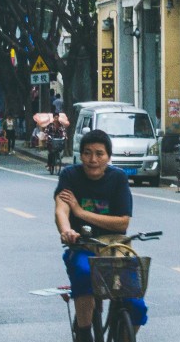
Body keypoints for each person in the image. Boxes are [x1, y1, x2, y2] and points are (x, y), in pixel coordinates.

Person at [55, 129, 144, 330]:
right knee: (84, 277)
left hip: (115, 250)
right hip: (82, 247)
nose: (93, 159)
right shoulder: (70, 175)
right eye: (87, 153)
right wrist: (66, 230)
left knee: (136, 304)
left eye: (99, 154)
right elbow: (61, 208)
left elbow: (122, 223)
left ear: (108, 157)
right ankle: (85, 335)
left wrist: (80, 212)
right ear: (81, 155)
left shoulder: (118, 178)